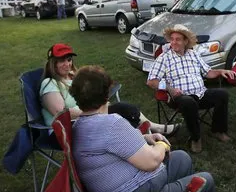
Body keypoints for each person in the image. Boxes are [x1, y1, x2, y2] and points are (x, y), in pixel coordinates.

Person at [69, 65, 218, 192]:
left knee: (182, 158)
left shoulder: (80, 125)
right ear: (106, 94)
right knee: (206, 180)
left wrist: (144, 138)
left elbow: (110, 146)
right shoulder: (111, 124)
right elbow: (152, 162)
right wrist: (161, 145)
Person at [40, 43, 179, 136]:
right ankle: (145, 137)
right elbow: (62, 113)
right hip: (66, 130)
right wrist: (95, 111)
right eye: (61, 61)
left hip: (86, 119)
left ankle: (148, 132)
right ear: (53, 63)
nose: (67, 64)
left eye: (69, 59)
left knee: (123, 109)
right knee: (119, 117)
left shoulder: (72, 77)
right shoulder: (49, 83)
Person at [146, 24, 236, 153]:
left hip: (200, 93)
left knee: (222, 94)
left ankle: (218, 130)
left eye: (178, 39)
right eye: (172, 39)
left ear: (185, 41)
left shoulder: (193, 54)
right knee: (189, 102)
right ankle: (195, 138)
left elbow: (208, 72)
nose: (173, 42)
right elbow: (151, 81)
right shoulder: (164, 58)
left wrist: (221, 71)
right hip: (179, 97)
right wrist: (169, 89)